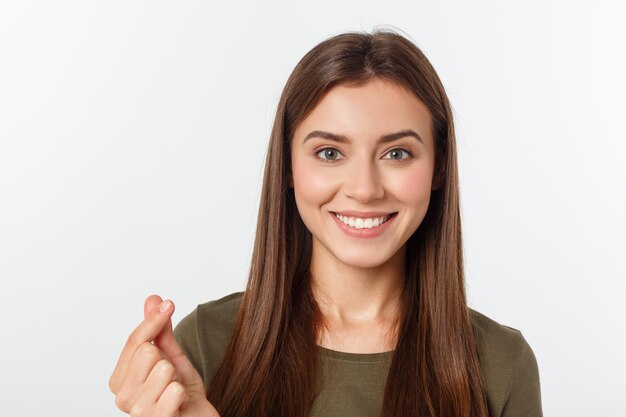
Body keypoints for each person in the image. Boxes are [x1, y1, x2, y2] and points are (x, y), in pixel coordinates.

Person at [109, 29, 543, 417]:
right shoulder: (205, 346)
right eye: (330, 153)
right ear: (288, 167)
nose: (364, 188)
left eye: (397, 153)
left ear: (440, 168)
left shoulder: (501, 365)